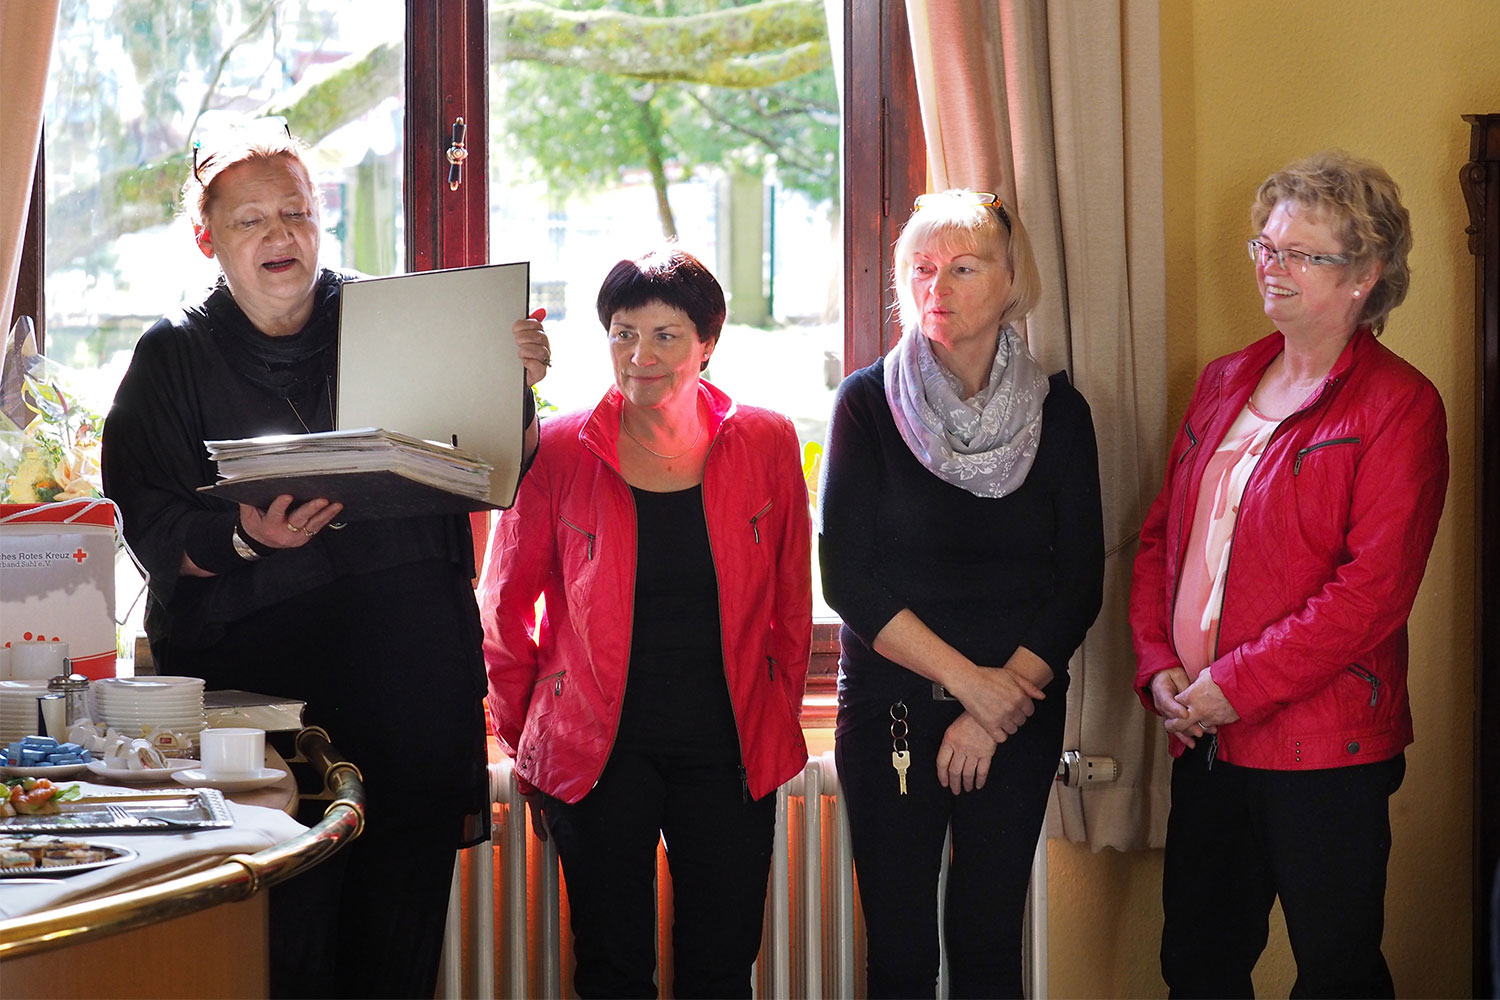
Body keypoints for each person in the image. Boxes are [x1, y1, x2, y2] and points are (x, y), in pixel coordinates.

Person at [101, 117, 550, 999]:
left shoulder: (398, 323)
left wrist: (515, 389)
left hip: (408, 680)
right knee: (284, 950)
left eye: (298, 214)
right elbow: (148, 523)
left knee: (398, 939)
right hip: (262, 704)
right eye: (252, 220)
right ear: (207, 238)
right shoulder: (172, 357)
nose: (281, 236)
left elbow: (489, 464)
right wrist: (240, 537)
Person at [1130, 150, 1449, 997]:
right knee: (1197, 967)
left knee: (1337, 973)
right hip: (1204, 734)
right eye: (1267, 247)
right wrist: (1158, 663)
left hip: (1325, 752)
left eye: (1301, 255)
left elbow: (1371, 593)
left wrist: (1235, 682)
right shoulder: (1224, 379)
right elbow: (1163, 538)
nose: (1273, 268)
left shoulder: (1401, 405)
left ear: (1364, 275)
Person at [478, 248, 812, 999]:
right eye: (624, 333)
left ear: (708, 344)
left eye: (665, 335)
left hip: (729, 752)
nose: (641, 356)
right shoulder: (558, 447)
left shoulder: (767, 440)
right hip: (594, 754)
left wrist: (774, 712)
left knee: (721, 971)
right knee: (611, 969)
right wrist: (523, 739)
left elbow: (792, 605)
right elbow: (502, 606)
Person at [819, 188, 1104, 998]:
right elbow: (847, 579)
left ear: (1012, 280)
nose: (935, 288)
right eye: (920, 269)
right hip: (895, 714)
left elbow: (1079, 580)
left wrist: (993, 707)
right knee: (902, 957)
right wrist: (969, 686)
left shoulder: (1064, 413)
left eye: (962, 268)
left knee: (987, 951)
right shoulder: (867, 405)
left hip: (1019, 712)